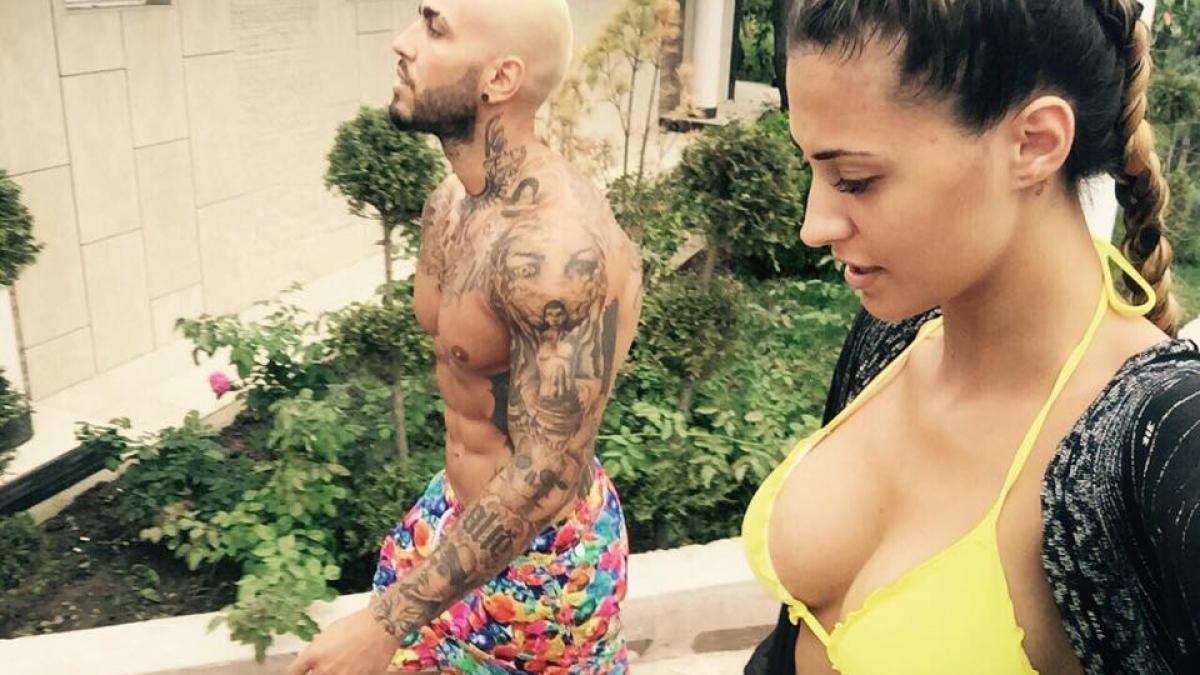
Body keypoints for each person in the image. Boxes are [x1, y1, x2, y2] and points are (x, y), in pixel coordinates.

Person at [741, 1, 1200, 673]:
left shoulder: (1162, 443)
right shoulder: (892, 339)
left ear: (1035, 143)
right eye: (812, 167)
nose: (815, 225)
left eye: (856, 180)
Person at [286, 1, 643, 673]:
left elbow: (545, 476)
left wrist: (385, 620)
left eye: (434, 26)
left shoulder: (555, 251)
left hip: (539, 566)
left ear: (500, 78)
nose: (402, 43)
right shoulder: (451, 202)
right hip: (457, 514)